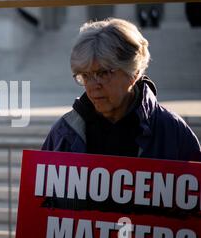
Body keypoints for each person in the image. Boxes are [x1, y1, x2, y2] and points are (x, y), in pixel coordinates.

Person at [42, 18, 201, 162]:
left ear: (134, 73)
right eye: (85, 75)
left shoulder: (172, 132)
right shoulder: (63, 132)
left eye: (103, 73)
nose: (93, 85)